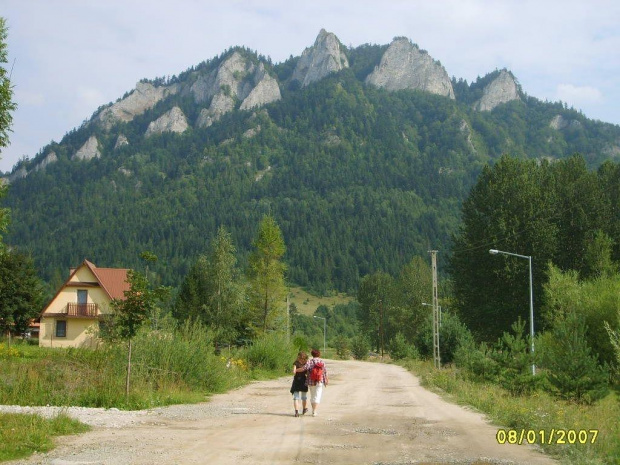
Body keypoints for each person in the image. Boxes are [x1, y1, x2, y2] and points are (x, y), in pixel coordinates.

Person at [297, 348, 328, 417]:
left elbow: (303, 369)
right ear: (319, 354)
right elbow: (325, 372)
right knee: (317, 396)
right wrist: (326, 381)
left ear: (312, 354)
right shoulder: (322, 362)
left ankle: (313, 410)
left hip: (311, 381)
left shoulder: (310, 361)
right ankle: (314, 411)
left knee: (312, 396)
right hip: (319, 381)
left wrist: (295, 370)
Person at [290, 351, 308, 417]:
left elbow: (294, 372)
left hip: (296, 380)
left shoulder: (296, 363)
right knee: (304, 397)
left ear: (298, 357)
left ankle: (296, 412)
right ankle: (304, 409)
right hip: (303, 380)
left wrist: (296, 371)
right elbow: (307, 373)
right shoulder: (306, 363)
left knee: (296, 397)